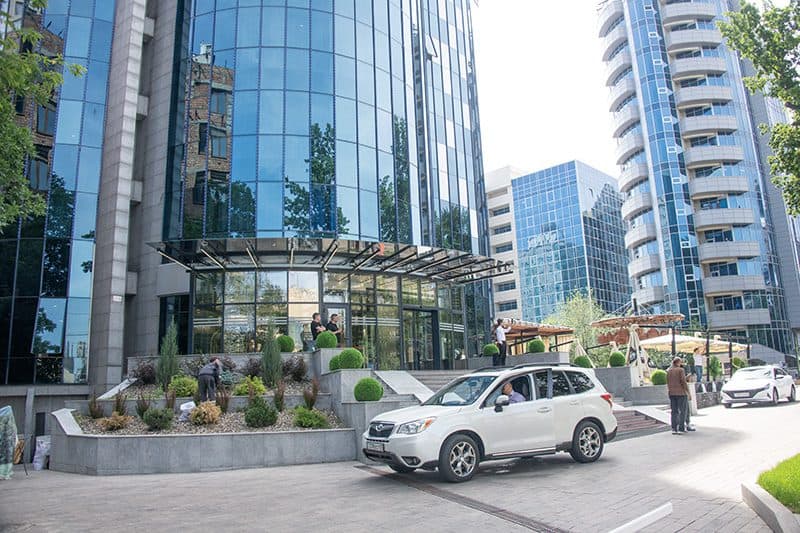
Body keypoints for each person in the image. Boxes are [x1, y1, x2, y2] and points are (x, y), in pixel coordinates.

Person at [666, 356, 690, 435]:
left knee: (674, 411)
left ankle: (674, 428)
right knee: (682, 411)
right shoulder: (681, 370)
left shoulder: (668, 371)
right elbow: (683, 382)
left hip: (672, 393)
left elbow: (669, 382)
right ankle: (681, 428)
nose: (681, 364)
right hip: (681, 393)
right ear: (678, 362)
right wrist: (688, 392)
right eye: (681, 362)